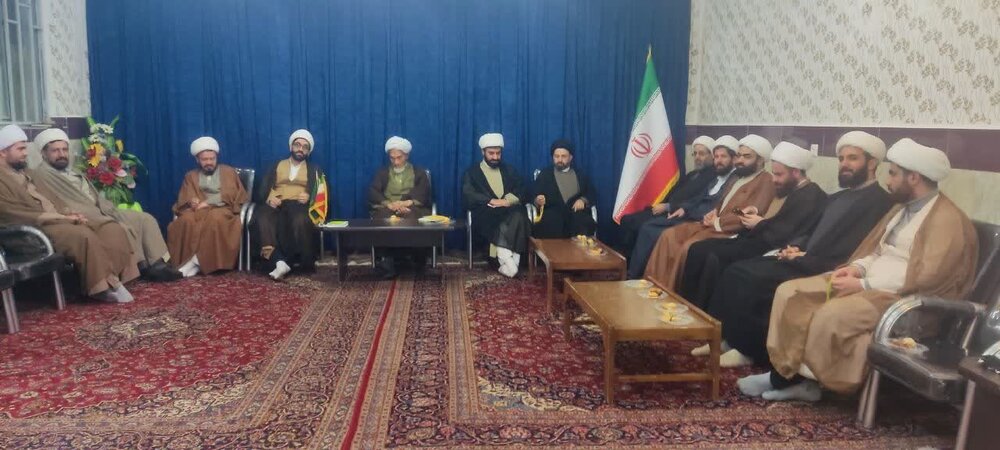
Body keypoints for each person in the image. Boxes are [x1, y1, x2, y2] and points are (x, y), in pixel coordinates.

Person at [738, 138, 978, 402]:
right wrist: (856, 268)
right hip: (869, 281)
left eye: (893, 174)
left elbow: (926, 277)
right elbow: (876, 250)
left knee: (831, 314)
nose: (888, 180)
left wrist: (864, 285)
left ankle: (813, 383)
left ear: (914, 177)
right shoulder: (901, 209)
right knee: (790, 293)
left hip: (900, 298)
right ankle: (783, 373)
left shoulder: (946, 220)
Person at [696, 131, 892, 366]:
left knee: (751, 278)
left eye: (852, 158)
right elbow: (812, 229)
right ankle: (727, 337)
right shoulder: (838, 197)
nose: (844, 164)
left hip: (826, 265)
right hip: (803, 256)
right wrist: (796, 246)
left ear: (872, 163)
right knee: (736, 270)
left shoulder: (881, 202)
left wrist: (806, 255)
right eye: (841, 159)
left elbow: (856, 246)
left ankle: (749, 349)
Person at [678, 141, 828, 313]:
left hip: (768, 244)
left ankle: (704, 313)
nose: (774, 179)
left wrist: (759, 222)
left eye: (778, 174)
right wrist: (754, 212)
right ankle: (689, 308)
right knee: (697, 249)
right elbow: (772, 215)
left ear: (795, 172)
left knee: (714, 256)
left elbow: (785, 230)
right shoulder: (785, 187)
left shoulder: (809, 195)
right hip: (753, 234)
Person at [0, 124, 137, 303]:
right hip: (33, 230)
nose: (26, 153)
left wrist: (69, 213)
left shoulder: (28, 173)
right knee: (83, 235)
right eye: (20, 149)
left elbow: (53, 199)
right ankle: (103, 287)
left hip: (58, 220)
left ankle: (113, 278)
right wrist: (60, 217)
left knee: (109, 227)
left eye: (25, 148)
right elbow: (11, 213)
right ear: (3, 152)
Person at [30, 128, 181, 282]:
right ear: (44, 153)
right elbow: (57, 202)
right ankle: (142, 266)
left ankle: (158, 263)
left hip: (102, 209)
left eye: (64, 149)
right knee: (121, 227)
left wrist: (108, 209)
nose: (61, 154)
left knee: (145, 219)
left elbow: (94, 195)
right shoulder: (42, 175)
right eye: (55, 151)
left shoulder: (72, 171)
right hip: (85, 216)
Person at [641, 134, 776, 288]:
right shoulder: (737, 177)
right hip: (712, 223)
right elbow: (722, 202)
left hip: (727, 230)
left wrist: (718, 221)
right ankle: (652, 284)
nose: (740, 160)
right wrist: (713, 212)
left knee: (689, 247)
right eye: (739, 155)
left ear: (760, 160)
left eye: (747, 156)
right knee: (669, 236)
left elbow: (747, 214)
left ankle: (671, 290)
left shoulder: (766, 181)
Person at [625, 136, 738, 279]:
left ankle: (639, 276)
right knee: (647, 226)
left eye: (723, 157)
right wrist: (684, 208)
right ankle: (633, 272)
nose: (719, 161)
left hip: (699, 220)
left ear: (733, 159)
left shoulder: (732, 180)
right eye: (717, 157)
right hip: (687, 213)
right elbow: (697, 198)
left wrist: (678, 208)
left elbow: (714, 206)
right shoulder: (716, 178)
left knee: (652, 230)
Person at [618, 135, 717, 254]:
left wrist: (668, 207)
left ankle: (629, 260)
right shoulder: (693, 174)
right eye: (695, 154)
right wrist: (662, 204)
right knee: (627, 219)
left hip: (677, 214)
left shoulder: (713, 177)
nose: (697, 157)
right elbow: (675, 192)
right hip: (665, 208)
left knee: (641, 225)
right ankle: (623, 258)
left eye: (701, 154)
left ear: (712, 156)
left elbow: (696, 200)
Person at [252, 129, 328, 280]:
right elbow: (262, 189)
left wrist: (310, 197)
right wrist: (269, 198)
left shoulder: (314, 169)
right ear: (291, 147)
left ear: (308, 151)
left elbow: (322, 193)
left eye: (305, 147)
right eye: (297, 145)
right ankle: (277, 260)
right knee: (262, 218)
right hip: (276, 203)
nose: (300, 149)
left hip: (299, 205)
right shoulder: (276, 165)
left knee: (300, 220)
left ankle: (295, 262)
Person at [166, 137, 249, 277]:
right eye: (205, 159)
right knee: (185, 220)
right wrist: (192, 201)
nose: (209, 162)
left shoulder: (228, 172)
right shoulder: (191, 176)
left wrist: (209, 202)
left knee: (215, 219)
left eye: (212, 158)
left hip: (223, 209)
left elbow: (232, 193)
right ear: (197, 160)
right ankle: (190, 262)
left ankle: (195, 262)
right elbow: (185, 197)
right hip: (198, 210)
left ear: (216, 157)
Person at [461, 133, 530, 277]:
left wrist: (507, 201)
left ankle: (508, 264)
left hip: (509, 209)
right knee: (501, 219)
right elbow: (468, 194)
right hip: (486, 212)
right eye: (491, 153)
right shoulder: (472, 172)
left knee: (519, 214)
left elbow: (522, 189)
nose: (495, 157)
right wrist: (491, 200)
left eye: (498, 153)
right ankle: (510, 262)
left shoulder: (509, 170)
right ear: (483, 152)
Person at [367, 136, 432, 278]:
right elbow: (373, 192)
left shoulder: (419, 172)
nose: (396, 162)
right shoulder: (382, 173)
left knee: (412, 218)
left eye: (399, 158)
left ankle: (416, 260)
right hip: (388, 207)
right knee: (383, 220)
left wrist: (406, 203)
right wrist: (389, 204)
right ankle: (387, 263)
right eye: (392, 158)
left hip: (411, 207)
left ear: (406, 156)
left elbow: (424, 193)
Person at [529, 139, 597, 238]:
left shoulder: (580, 174)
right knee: (549, 222)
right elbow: (534, 195)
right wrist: (538, 201)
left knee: (584, 222)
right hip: (552, 214)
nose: (560, 160)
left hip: (575, 213)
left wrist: (583, 200)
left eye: (563, 156)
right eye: (556, 156)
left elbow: (591, 192)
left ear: (570, 157)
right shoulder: (545, 175)